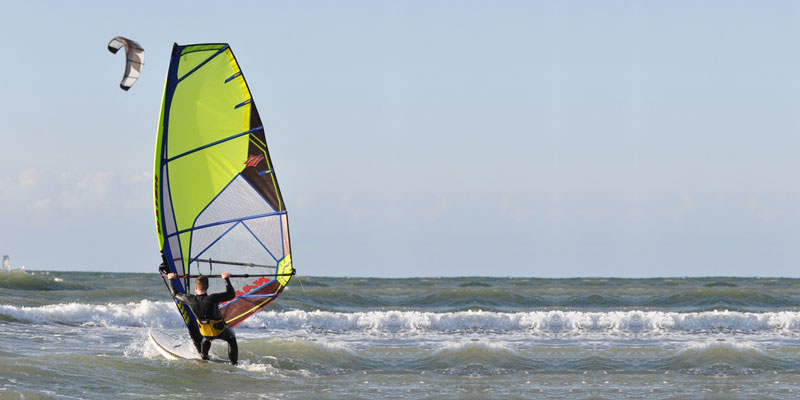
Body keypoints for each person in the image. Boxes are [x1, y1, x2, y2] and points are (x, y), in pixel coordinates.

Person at [165, 270, 238, 365]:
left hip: (204, 331)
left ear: (195, 287)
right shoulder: (213, 298)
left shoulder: (190, 299)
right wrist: (226, 279)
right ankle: (233, 362)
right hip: (220, 330)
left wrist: (171, 279)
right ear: (207, 287)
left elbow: (174, 294)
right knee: (231, 339)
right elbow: (231, 294)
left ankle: (204, 355)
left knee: (206, 338)